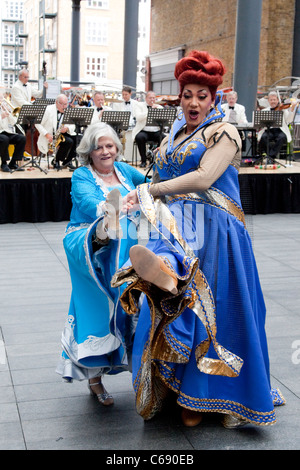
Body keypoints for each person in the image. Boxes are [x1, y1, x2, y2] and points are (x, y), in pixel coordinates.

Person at [113, 50, 285, 428]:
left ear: (215, 97)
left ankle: (222, 398)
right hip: (178, 226)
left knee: (218, 311)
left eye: (201, 96)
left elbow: (204, 178)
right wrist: (136, 193)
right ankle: (184, 391)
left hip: (216, 231)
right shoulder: (177, 134)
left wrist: (151, 192)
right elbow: (160, 174)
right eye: (187, 94)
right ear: (180, 95)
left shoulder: (224, 132)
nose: (193, 102)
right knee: (180, 306)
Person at [56, 122, 149, 405]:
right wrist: (121, 205)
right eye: (99, 147)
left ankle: (141, 367)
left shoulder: (126, 172)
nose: (105, 151)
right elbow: (90, 205)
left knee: (129, 298)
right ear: (89, 151)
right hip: (87, 239)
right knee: (98, 302)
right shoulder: (81, 175)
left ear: (117, 149)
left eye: (110, 146)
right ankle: (95, 379)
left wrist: (143, 195)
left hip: (124, 243)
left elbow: (149, 186)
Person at [35, 94, 77, 170]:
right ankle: (56, 161)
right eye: (62, 104)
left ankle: (66, 161)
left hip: (60, 135)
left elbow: (73, 126)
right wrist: (46, 134)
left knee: (76, 139)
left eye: (65, 104)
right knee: (69, 141)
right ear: (56, 102)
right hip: (49, 137)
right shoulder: (48, 110)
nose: (64, 106)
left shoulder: (67, 110)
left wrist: (67, 128)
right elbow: (37, 123)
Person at [258, 91, 294, 160]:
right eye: (271, 100)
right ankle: (272, 157)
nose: (273, 101)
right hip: (269, 130)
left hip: (280, 130)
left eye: (274, 100)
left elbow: (289, 120)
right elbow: (261, 123)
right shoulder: (264, 111)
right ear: (268, 101)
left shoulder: (283, 110)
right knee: (263, 137)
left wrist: (291, 109)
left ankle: (270, 157)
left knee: (282, 137)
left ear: (278, 100)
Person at [132, 91, 165, 168]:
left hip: (156, 131)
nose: (152, 100)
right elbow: (138, 117)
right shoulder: (140, 105)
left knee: (164, 138)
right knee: (139, 137)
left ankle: (157, 159)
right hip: (144, 130)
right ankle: (143, 160)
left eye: (153, 98)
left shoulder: (160, 107)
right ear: (146, 98)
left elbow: (164, 121)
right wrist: (149, 111)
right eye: (150, 98)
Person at [0, 95, 26, 172]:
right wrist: (1, 116)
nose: (1, 100)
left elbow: (14, 122)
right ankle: (4, 163)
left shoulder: (3, 108)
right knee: (5, 139)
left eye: (2, 98)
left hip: (6, 131)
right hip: (1, 133)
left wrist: (10, 113)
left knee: (22, 138)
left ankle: (13, 162)